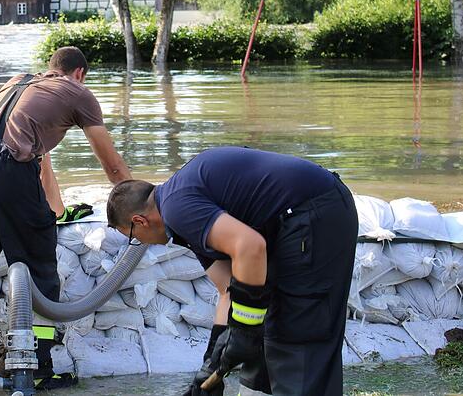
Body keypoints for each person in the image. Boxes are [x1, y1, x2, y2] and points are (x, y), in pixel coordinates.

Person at [0, 46, 131, 395]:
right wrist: (136, 204)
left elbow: (40, 159)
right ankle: (34, 371)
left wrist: (55, 207)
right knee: (38, 272)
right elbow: (111, 165)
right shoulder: (78, 93)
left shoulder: (19, 82)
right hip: (8, 170)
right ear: (79, 73)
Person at [106, 147, 358, 396]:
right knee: (264, 331)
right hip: (291, 220)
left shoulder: (178, 208)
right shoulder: (184, 214)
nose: (140, 242)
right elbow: (228, 289)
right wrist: (211, 364)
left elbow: (250, 246)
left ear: (140, 221)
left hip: (316, 212)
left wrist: (244, 329)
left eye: (132, 236)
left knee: (296, 335)